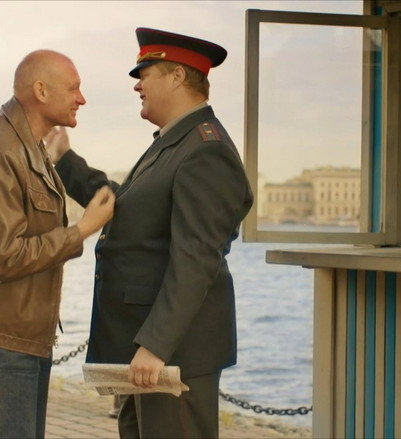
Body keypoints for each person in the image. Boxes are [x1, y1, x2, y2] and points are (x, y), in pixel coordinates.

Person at [46, 27, 254, 438]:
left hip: (172, 355)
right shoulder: (175, 142)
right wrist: (65, 160)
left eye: (145, 74)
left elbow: (196, 259)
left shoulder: (206, 150)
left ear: (176, 76)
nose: (137, 85)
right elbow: (126, 208)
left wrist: (156, 345)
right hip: (148, 352)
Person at [0, 49, 115, 438]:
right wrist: (82, 230)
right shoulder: (0, 149)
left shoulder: (26, 145)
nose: (82, 98)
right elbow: (6, 256)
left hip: (18, 335)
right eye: (74, 88)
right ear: (41, 91)